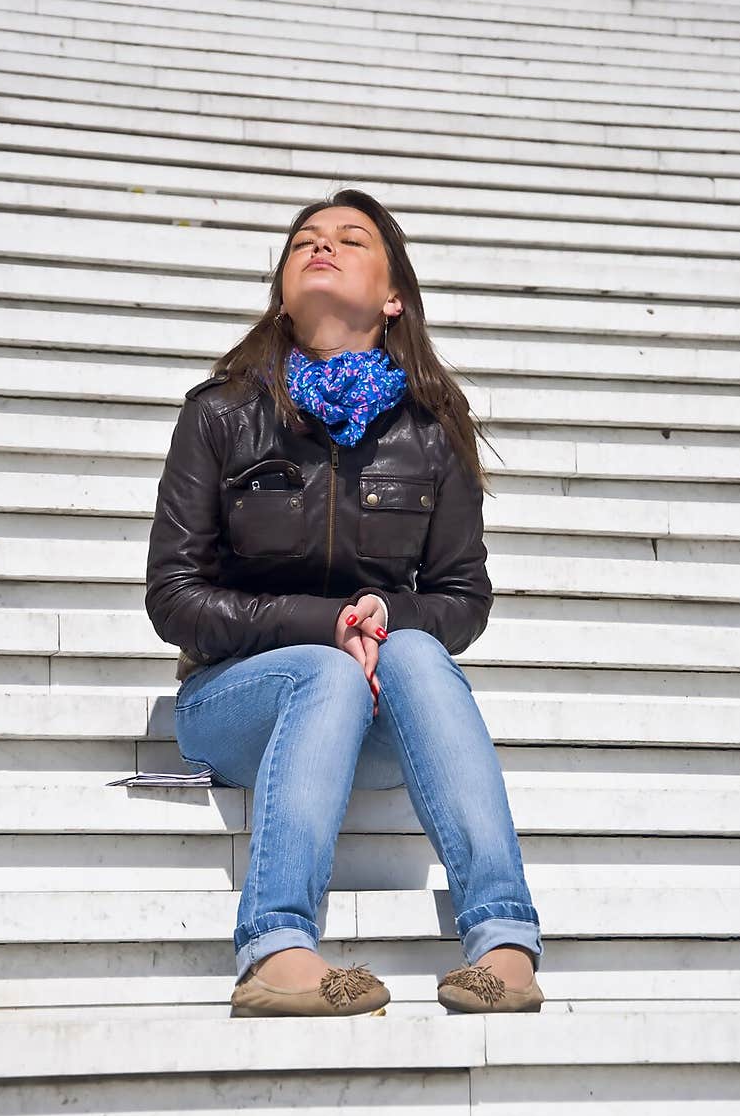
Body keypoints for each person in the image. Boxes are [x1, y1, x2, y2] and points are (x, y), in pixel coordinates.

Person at [145, 188, 544, 1018]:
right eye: (304, 242)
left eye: (350, 239)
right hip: (237, 702)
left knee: (416, 649)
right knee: (325, 673)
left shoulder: (434, 429)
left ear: (393, 295)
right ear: (283, 290)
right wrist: (321, 627)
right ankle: (276, 947)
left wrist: (383, 618)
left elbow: (463, 599)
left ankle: (504, 943)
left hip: (379, 718)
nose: (320, 246)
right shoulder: (220, 416)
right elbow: (175, 598)